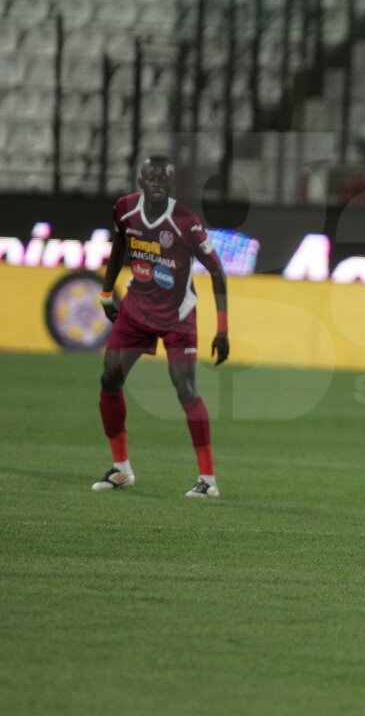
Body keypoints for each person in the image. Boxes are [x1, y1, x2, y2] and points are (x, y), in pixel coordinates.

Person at [92, 154, 230, 497]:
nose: (156, 184)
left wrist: (223, 328)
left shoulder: (186, 222)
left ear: (172, 185)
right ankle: (121, 469)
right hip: (137, 310)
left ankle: (208, 480)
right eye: (150, 178)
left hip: (177, 316)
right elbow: (119, 246)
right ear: (140, 181)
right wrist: (108, 292)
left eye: (163, 180)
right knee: (110, 377)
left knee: (184, 388)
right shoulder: (124, 210)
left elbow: (216, 270)